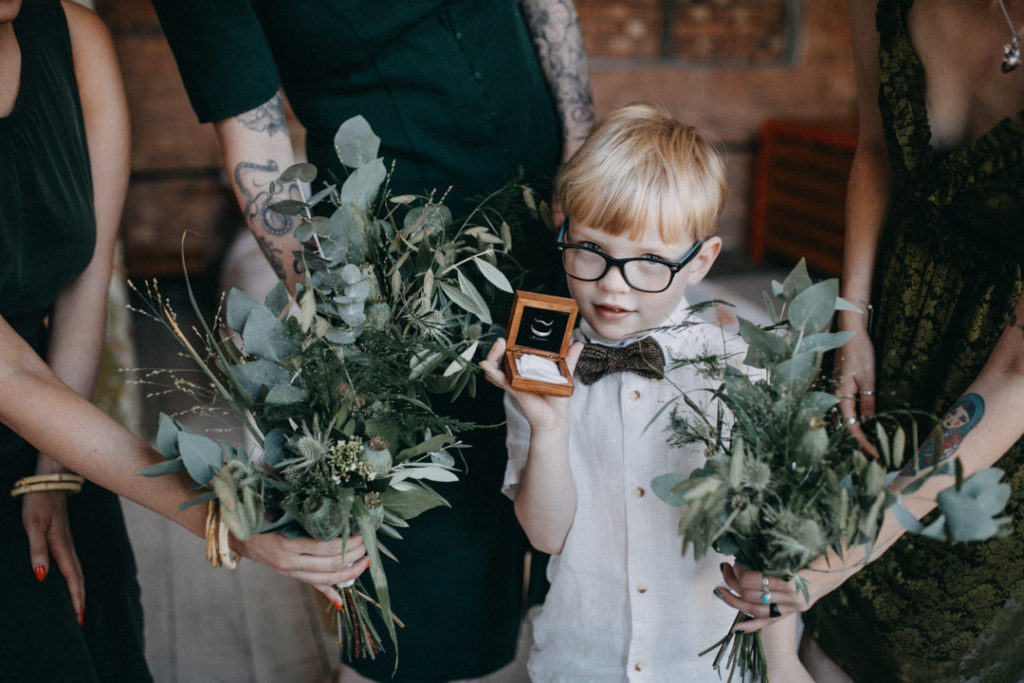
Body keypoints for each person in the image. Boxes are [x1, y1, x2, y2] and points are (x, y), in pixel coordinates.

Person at [149, 2, 594, 680]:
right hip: (400, 279)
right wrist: (346, 316)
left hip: (558, 222)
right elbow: (257, 143)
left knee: (582, 527)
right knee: (435, 577)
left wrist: (584, 156)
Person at [0, 2, 366, 680]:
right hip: (21, 388)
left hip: (57, 416)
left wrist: (49, 472)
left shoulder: (76, 41)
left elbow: (84, 284)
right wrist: (229, 520)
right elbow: (9, 375)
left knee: (107, 645)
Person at [714, 1, 1024, 680]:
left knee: (936, 644)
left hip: (1003, 402)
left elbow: (1016, 373)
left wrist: (853, 545)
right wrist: (853, 318)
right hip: (892, 328)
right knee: (830, 618)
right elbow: (877, 149)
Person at [480, 103, 811, 681]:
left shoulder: (740, 368)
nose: (611, 284)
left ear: (701, 260)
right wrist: (549, 427)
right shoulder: (538, 367)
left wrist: (782, 663)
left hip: (705, 664)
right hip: (581, 657)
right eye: (590, 250)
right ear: (563, 233)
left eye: (650, 261)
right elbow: (547, 535)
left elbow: (770, 533)